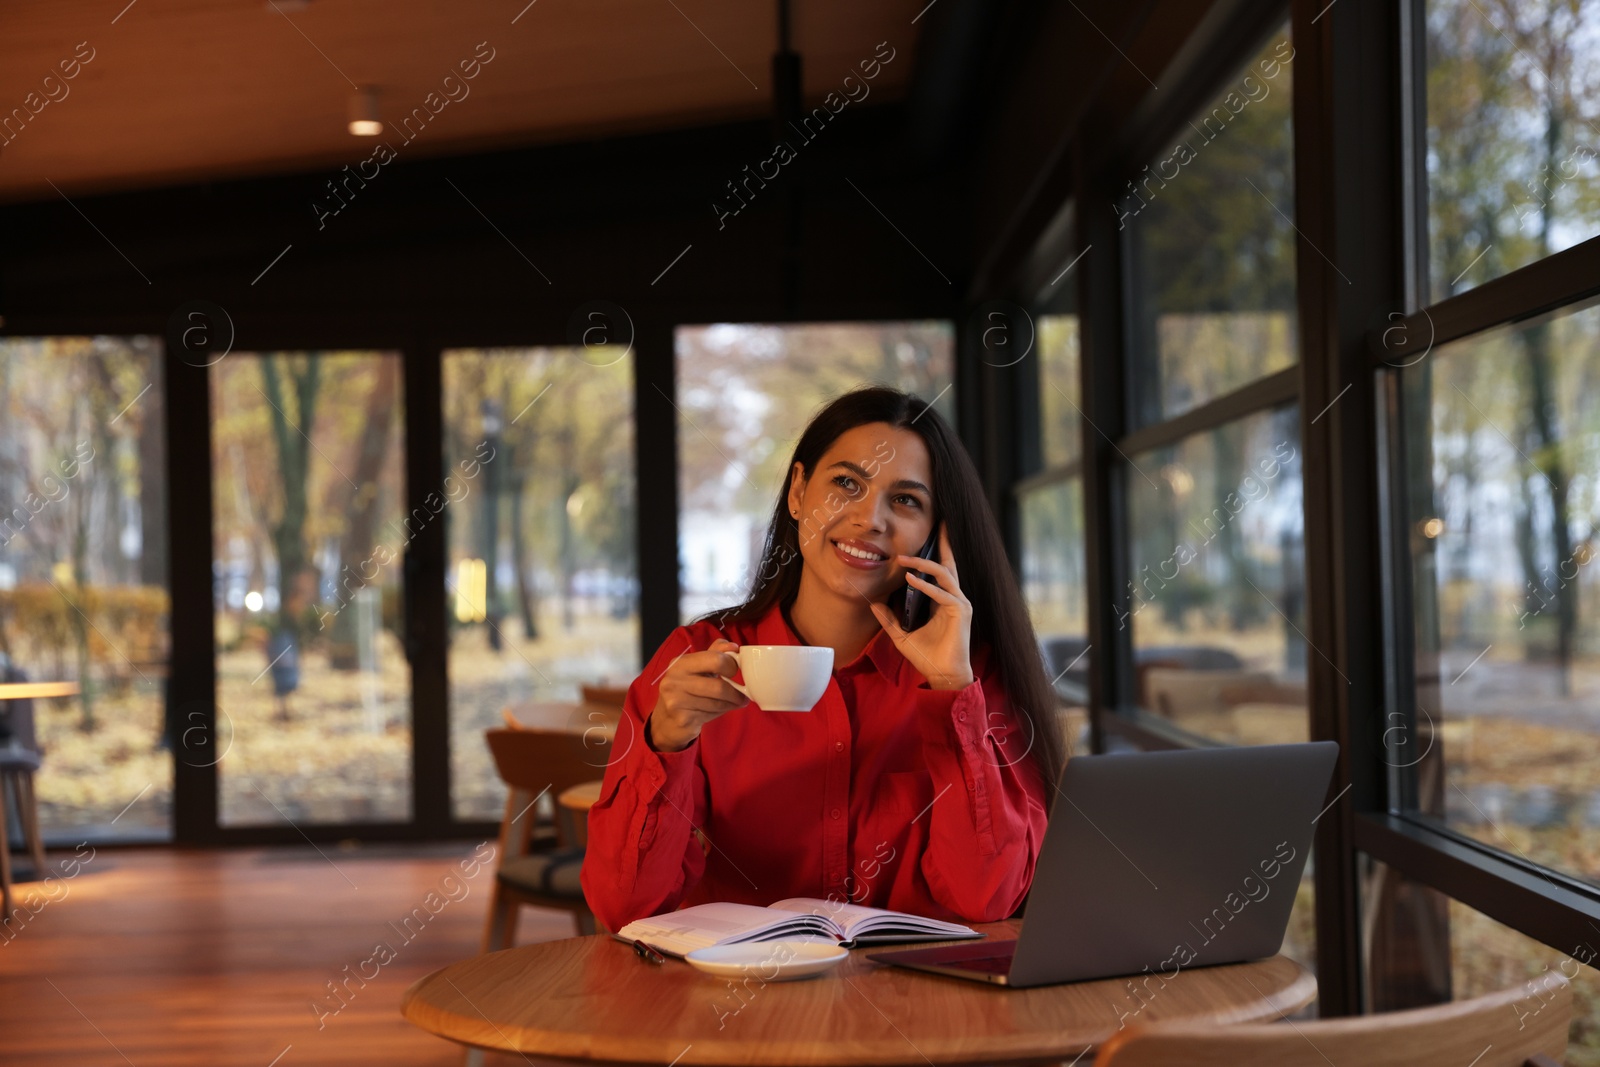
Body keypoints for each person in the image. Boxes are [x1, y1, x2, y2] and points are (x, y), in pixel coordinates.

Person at [580, 387, 1065, 932]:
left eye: (906, 500)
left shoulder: (970, 674)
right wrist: (666, 741)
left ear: (935, 534)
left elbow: (988, 898)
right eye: (846, 484)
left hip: (917, 1003)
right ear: (798, 491)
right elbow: (624, 907)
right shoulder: (695, 660)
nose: (869, 519)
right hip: (736, 1005)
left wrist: (953, 691)